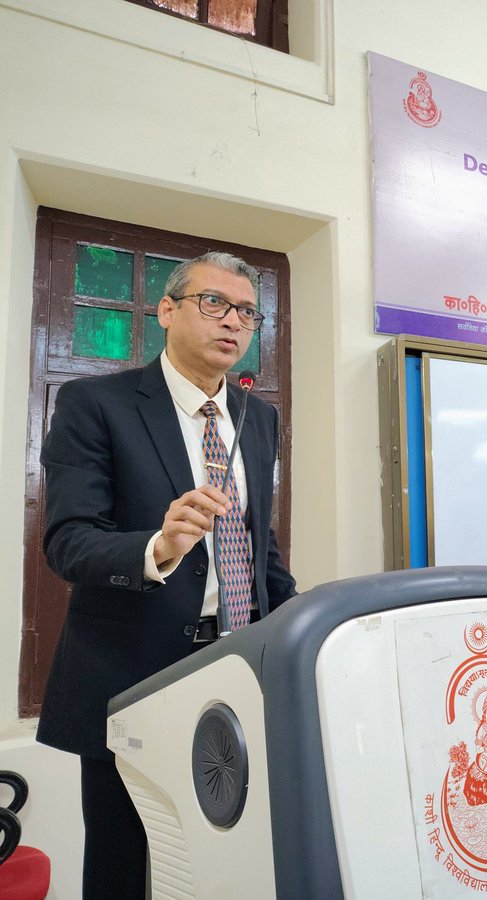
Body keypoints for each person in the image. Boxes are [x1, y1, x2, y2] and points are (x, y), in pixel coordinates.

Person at [37, 252, 298, 899]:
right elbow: (69, 541)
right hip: (131, 672)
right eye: (214, 303)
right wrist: (159, 545)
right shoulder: (96, 404)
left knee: (224, 860)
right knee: (122, 864)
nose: (232, 321)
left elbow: (255, 542)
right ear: (166, 310)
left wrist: (300, 619)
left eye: (247, 312)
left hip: (236, 669)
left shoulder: (259, 418)